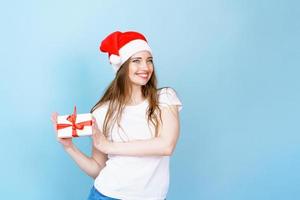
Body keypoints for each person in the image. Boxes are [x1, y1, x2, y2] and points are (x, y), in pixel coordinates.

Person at [51, 31, 183, 200]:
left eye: (149, 60)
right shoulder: (102, 111)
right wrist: (70, 148)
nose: (145, 67)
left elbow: (166, 146)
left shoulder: (165, 98)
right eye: (136, 61)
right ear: (122, 66)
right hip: (107, 195)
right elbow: (98, 168)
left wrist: (109, 146)